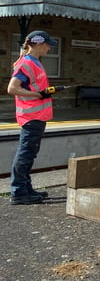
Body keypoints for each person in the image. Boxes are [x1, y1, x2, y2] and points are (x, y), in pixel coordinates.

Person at [6, 30, 58, 205]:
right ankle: (19, 192)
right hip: (31, 115)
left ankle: (26, 188)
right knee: (25, 154)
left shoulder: (33, 62)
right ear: (37, 44)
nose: (49, 48)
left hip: (36, 115)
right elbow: (12, 88)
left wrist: (41, 93)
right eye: (47, 44)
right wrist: (37, 95)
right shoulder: (27, 63)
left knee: (29, 153)